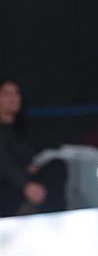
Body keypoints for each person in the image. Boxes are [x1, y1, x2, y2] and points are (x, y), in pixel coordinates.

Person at [0, 79, 67, 217]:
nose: (13, 98)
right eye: (7, 94)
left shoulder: (19, 129)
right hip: (8, 184)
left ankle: (51, 215)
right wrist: (25, 185)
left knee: (57, 166)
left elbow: (24, 157)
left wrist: (31, 165)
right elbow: (5, 163)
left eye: (16, 94)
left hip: (24, 178)